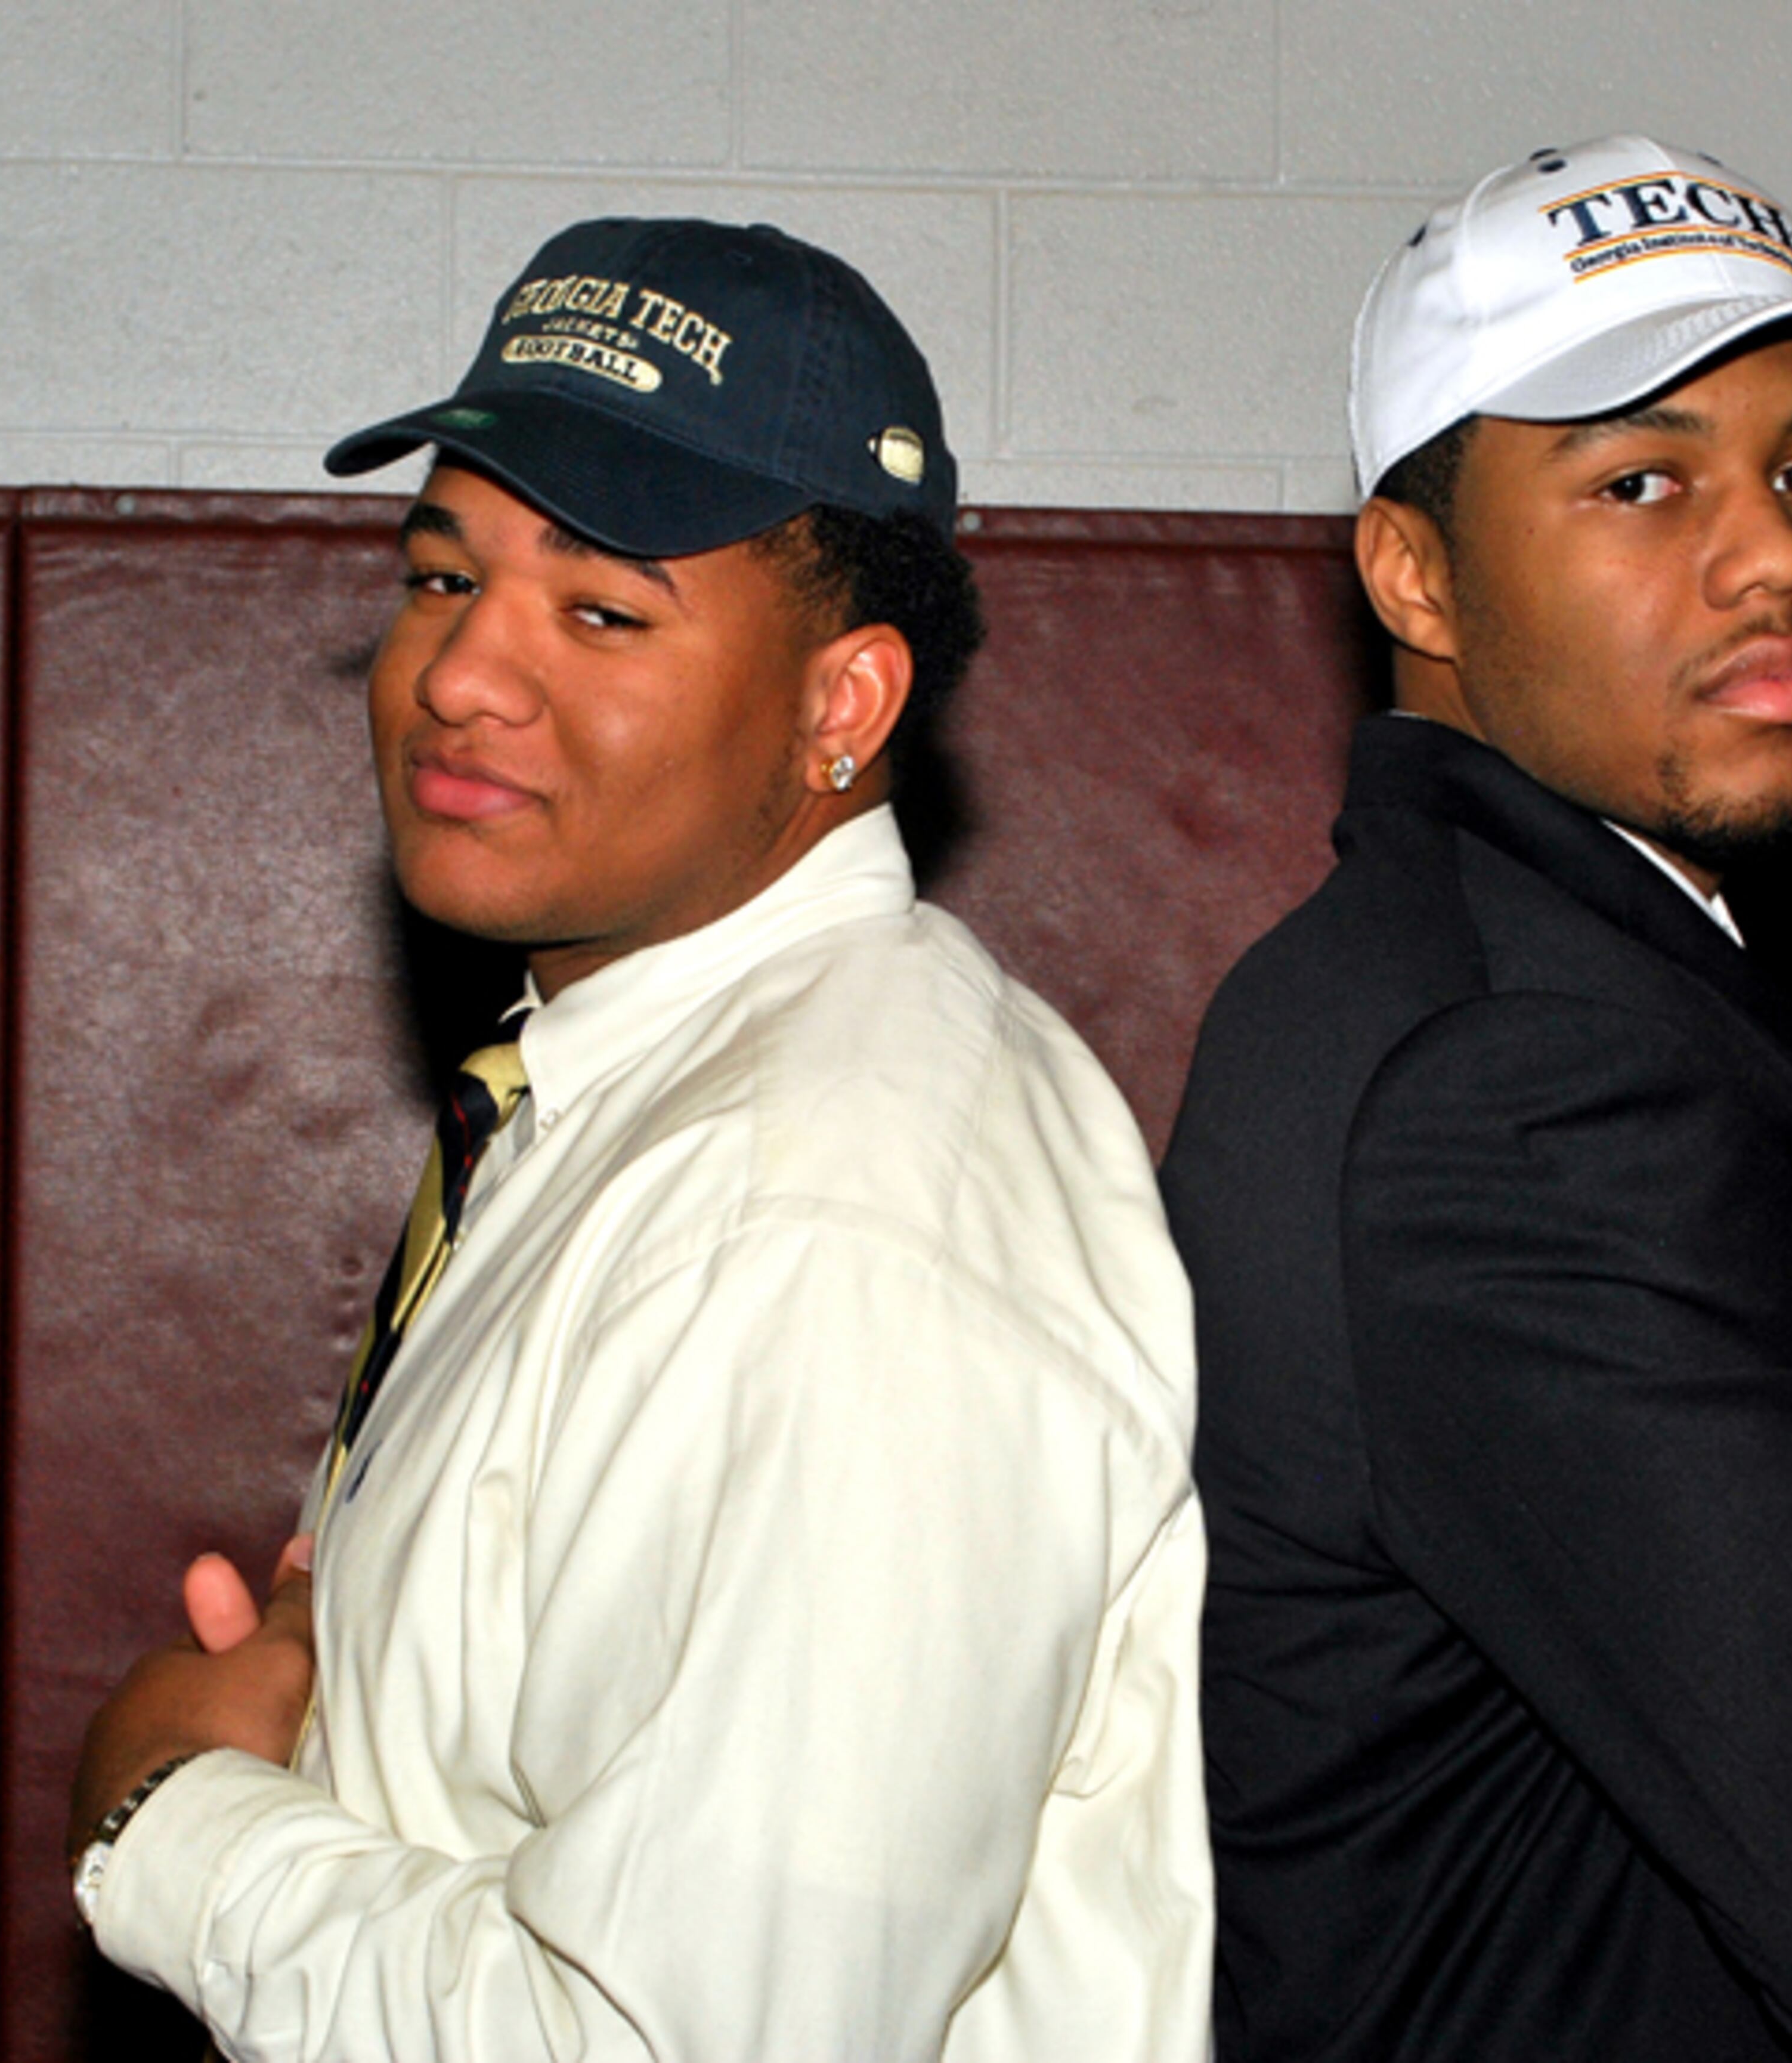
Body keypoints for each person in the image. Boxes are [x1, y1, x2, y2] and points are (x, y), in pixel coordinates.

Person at [68, 216, 1214, 2061]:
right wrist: (337, 1703)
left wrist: (178, 1823)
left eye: (600, 611)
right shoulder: (621, 1069)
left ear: (843, 703)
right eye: (443, 580)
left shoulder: (841, 1218)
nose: (461, 677)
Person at [1159, 135, 1792, 2062]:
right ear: (1416, 571)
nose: (1780, 551)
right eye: (1643, 481)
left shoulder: (1576, 973)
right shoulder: (1519, 1070)